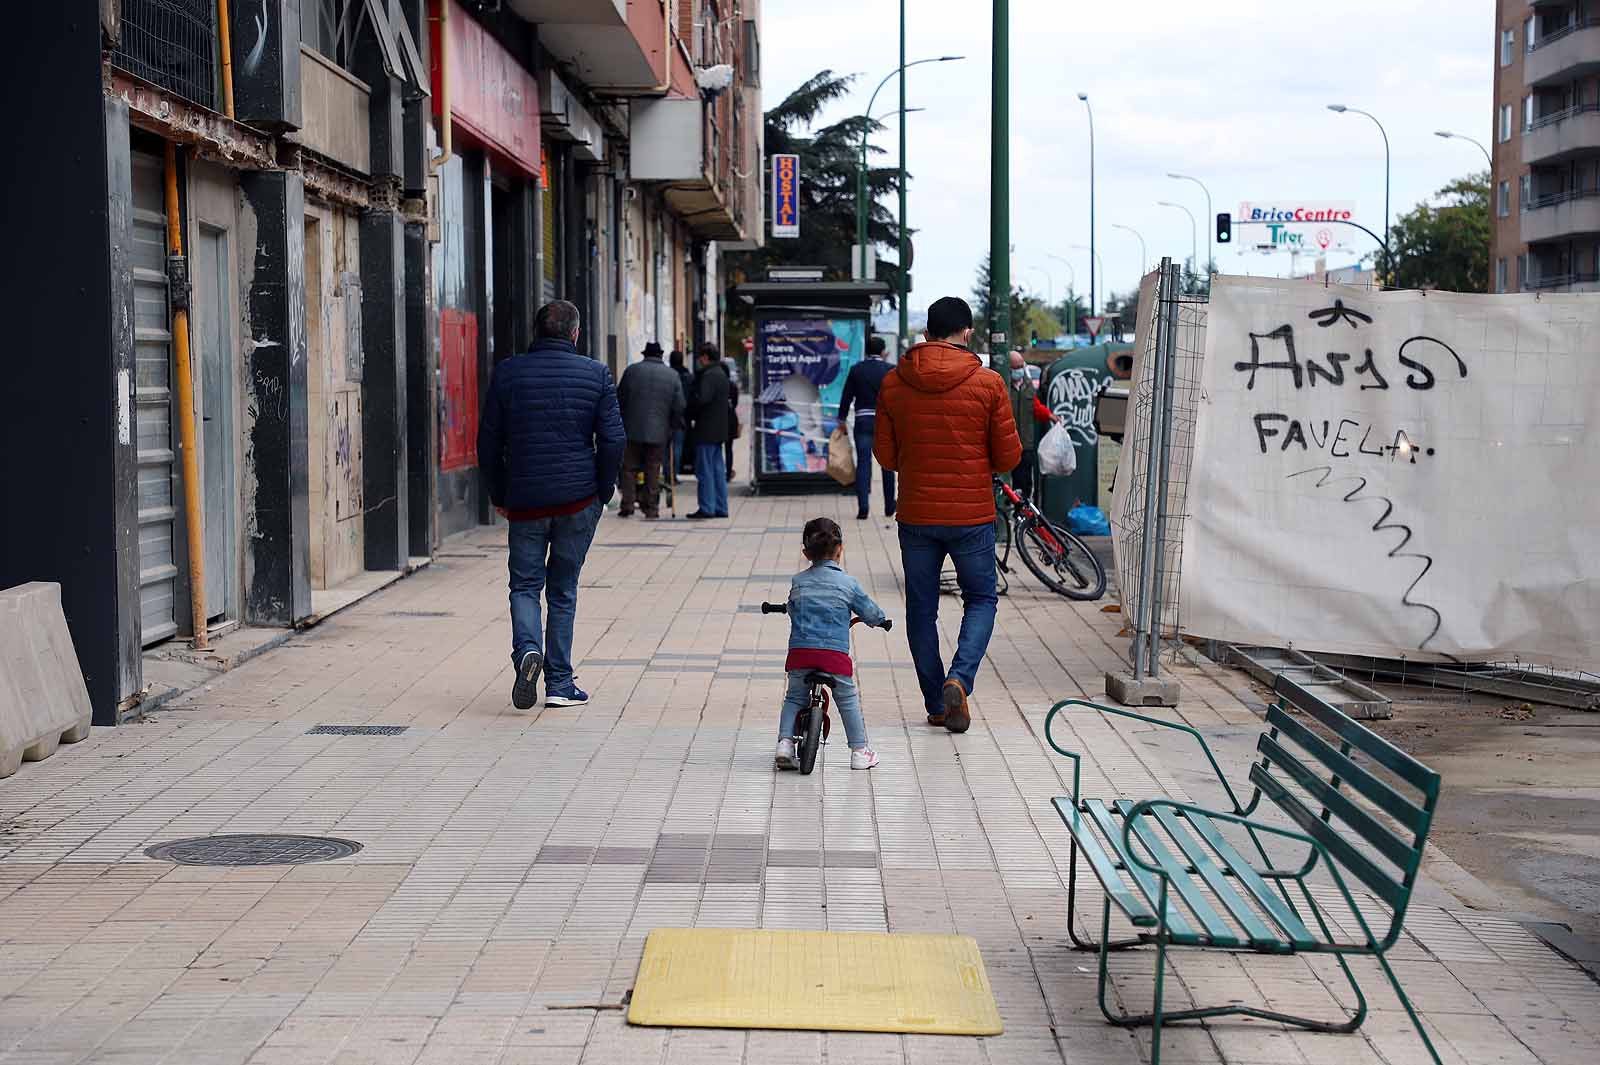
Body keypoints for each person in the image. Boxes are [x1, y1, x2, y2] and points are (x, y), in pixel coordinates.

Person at [874, 296, 1022, 734]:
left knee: (921, 610)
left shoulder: (894, 383)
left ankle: (937, 703)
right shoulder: (989, 383)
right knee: (981, 599)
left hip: (916, 513)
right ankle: (959, 678)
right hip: (972, 516)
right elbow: (1008, 456)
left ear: (925, 334)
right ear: (968, 332)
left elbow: (885, 455)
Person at [477, 299, 624, 711]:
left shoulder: (507, 373)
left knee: (524, 585)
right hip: (577, 499)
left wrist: (498, 495)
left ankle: (527, 650)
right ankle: (560, 682)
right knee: (563, 589)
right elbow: (613, 439)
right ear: (575, 333)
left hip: (525, 502)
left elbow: (488, 442)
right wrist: (603, 492)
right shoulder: (596, 374)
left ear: (537, 331)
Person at [775, 518, 885, 771]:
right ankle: (859, 751)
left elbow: (792, 607)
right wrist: (880, 621)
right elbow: (869, 611)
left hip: (800, 654)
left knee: (794, 697)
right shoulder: (848, 583)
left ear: (805, 553)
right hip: (834, 657)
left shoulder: (798, 581)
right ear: (840, 549)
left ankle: (785, 743)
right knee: (847, 700)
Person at [616, 341, 685, 519]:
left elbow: (619, 398)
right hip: (659, 431)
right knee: (653, 469)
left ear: (645, 354)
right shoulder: (672, 375)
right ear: (661, 356)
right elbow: (679, 406)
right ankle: (651, 508)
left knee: (629, 468)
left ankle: (628, 505)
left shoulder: (632, 371)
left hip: (631, 430)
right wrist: (672, 427)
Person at [838, 335, 897, 521]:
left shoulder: (857, 370)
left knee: (863, 463)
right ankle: (889, 506)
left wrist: (841, 419)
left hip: (863, 421)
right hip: (885, 423)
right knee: (887, 464)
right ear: (883, 352)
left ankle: (863, 507)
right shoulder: (890, 370)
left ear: (866, 351)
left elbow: (847, 396)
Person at [1008, 350, 1061, 501]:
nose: (1018, 370)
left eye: (1020, 366)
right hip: (1008, 444)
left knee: (1025, 481)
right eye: (1015, 367)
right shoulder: (1003, 385)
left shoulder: (1027, 385)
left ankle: (1022, 510)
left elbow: (1035, 406)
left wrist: (1050, 416)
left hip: (1025, 444)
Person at [687, 344, 731, 519]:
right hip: (719, 429)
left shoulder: (708, 375)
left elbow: (702, 399)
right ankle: (721, 506)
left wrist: (691, 407)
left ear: (705, 357)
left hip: (706, 429)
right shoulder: (722, 374)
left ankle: (707, 507)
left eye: (700, 357)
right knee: (718, 469)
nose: (699, 361)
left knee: (704, 470)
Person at [668, 349, 693, 477]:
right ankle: (675, 473)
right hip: (683, 417)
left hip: (666, 416)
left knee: (666, 448)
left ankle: (668, 474)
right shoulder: (688, 376)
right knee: (678, 446)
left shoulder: (668, 375)